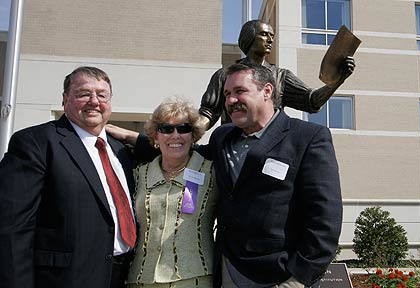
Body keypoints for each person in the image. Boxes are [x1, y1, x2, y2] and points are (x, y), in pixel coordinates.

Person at [107, 62, 343, 288]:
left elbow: (325, 219)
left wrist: (298, 279)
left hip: (279, 274)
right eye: (227, 93)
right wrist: (129, 137)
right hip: (228, 273)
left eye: (240, 91)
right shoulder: (223, 137)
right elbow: (182, 150)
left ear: (267, 91)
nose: (230, 101)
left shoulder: (308, 137)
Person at [0, 66, 136, 288]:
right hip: (66, 279)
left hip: (123, 277)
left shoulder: (120, 150)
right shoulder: (36, 142)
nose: (94, 101)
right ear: (65, 99)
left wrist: (135, 137)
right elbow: (12, 229)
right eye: (84, 94)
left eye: (102, 95)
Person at [126, 97, 217, 288]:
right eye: (166, 129)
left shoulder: (212, 173)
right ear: (155, 137)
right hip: (141, 280)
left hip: (195, 280)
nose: (175, 135)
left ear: (193, 136)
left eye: (183, 128)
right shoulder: (137, 176)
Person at [198, 19, 356, 129]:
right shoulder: (224, 75)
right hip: (232, 145)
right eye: (264, 35)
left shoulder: (281, 76)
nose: (270, 40)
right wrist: (188, 134)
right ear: (250, 37)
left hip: (271, 146)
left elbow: (312, 101)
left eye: (272, 36)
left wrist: (338, 81)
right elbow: (208, 113)